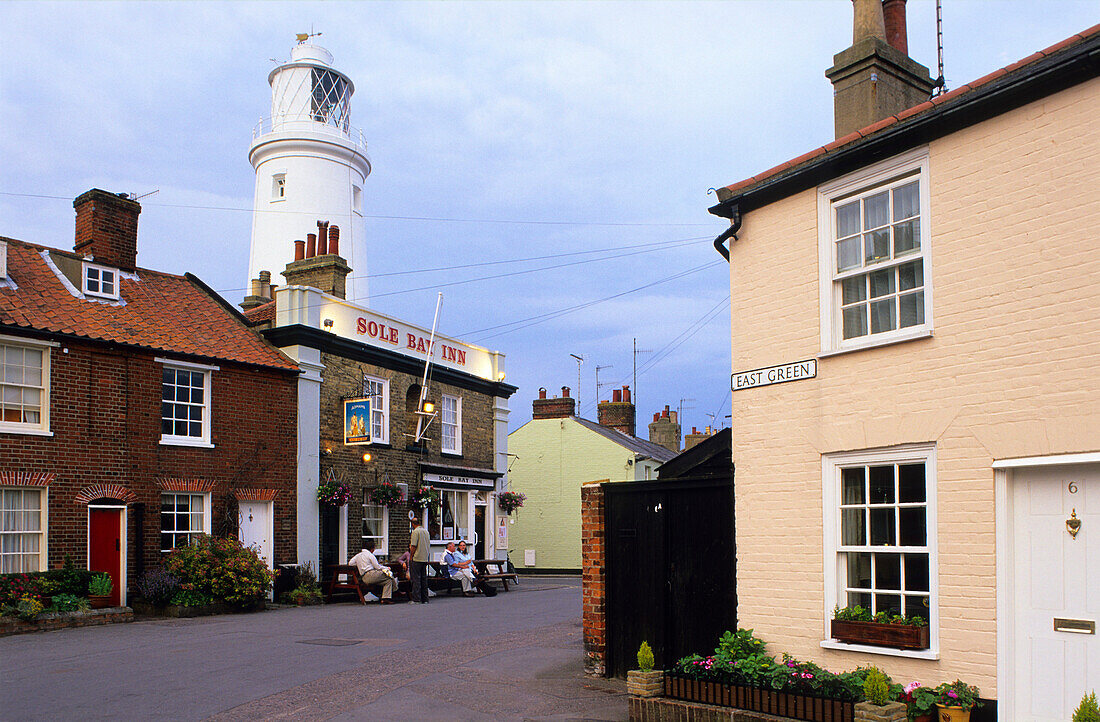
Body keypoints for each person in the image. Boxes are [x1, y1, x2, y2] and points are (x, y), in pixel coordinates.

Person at [408, 515, 431, 603]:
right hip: (424, 558)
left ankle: (416, 599)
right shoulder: (426, 531)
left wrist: (411, 557)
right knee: (423, 579)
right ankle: (425, 599)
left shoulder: (415, 532)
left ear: (413, 524)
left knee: (416, 579)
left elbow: (413, 545)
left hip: (417, 558)